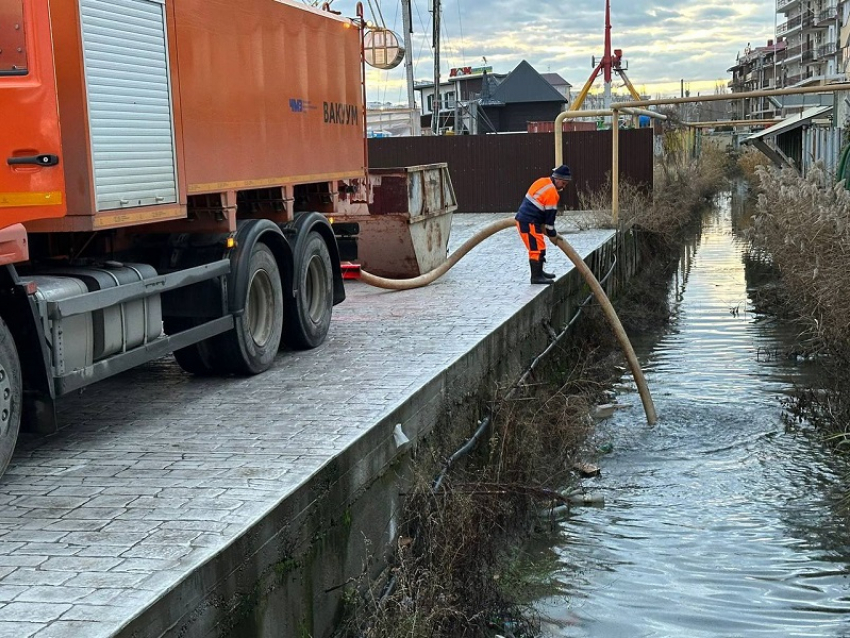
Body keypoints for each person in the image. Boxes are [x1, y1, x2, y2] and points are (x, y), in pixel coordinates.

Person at [515, 164, 571, 284]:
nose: (564, 187)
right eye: (564, 183)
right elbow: (549, 222)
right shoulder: (552, 193)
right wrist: (553, 235)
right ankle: (536, 277)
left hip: (528, 220)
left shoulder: (542, 181)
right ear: (558, 179)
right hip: (528, 222)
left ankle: (539, 272)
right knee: (536, 249)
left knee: (540, 246)